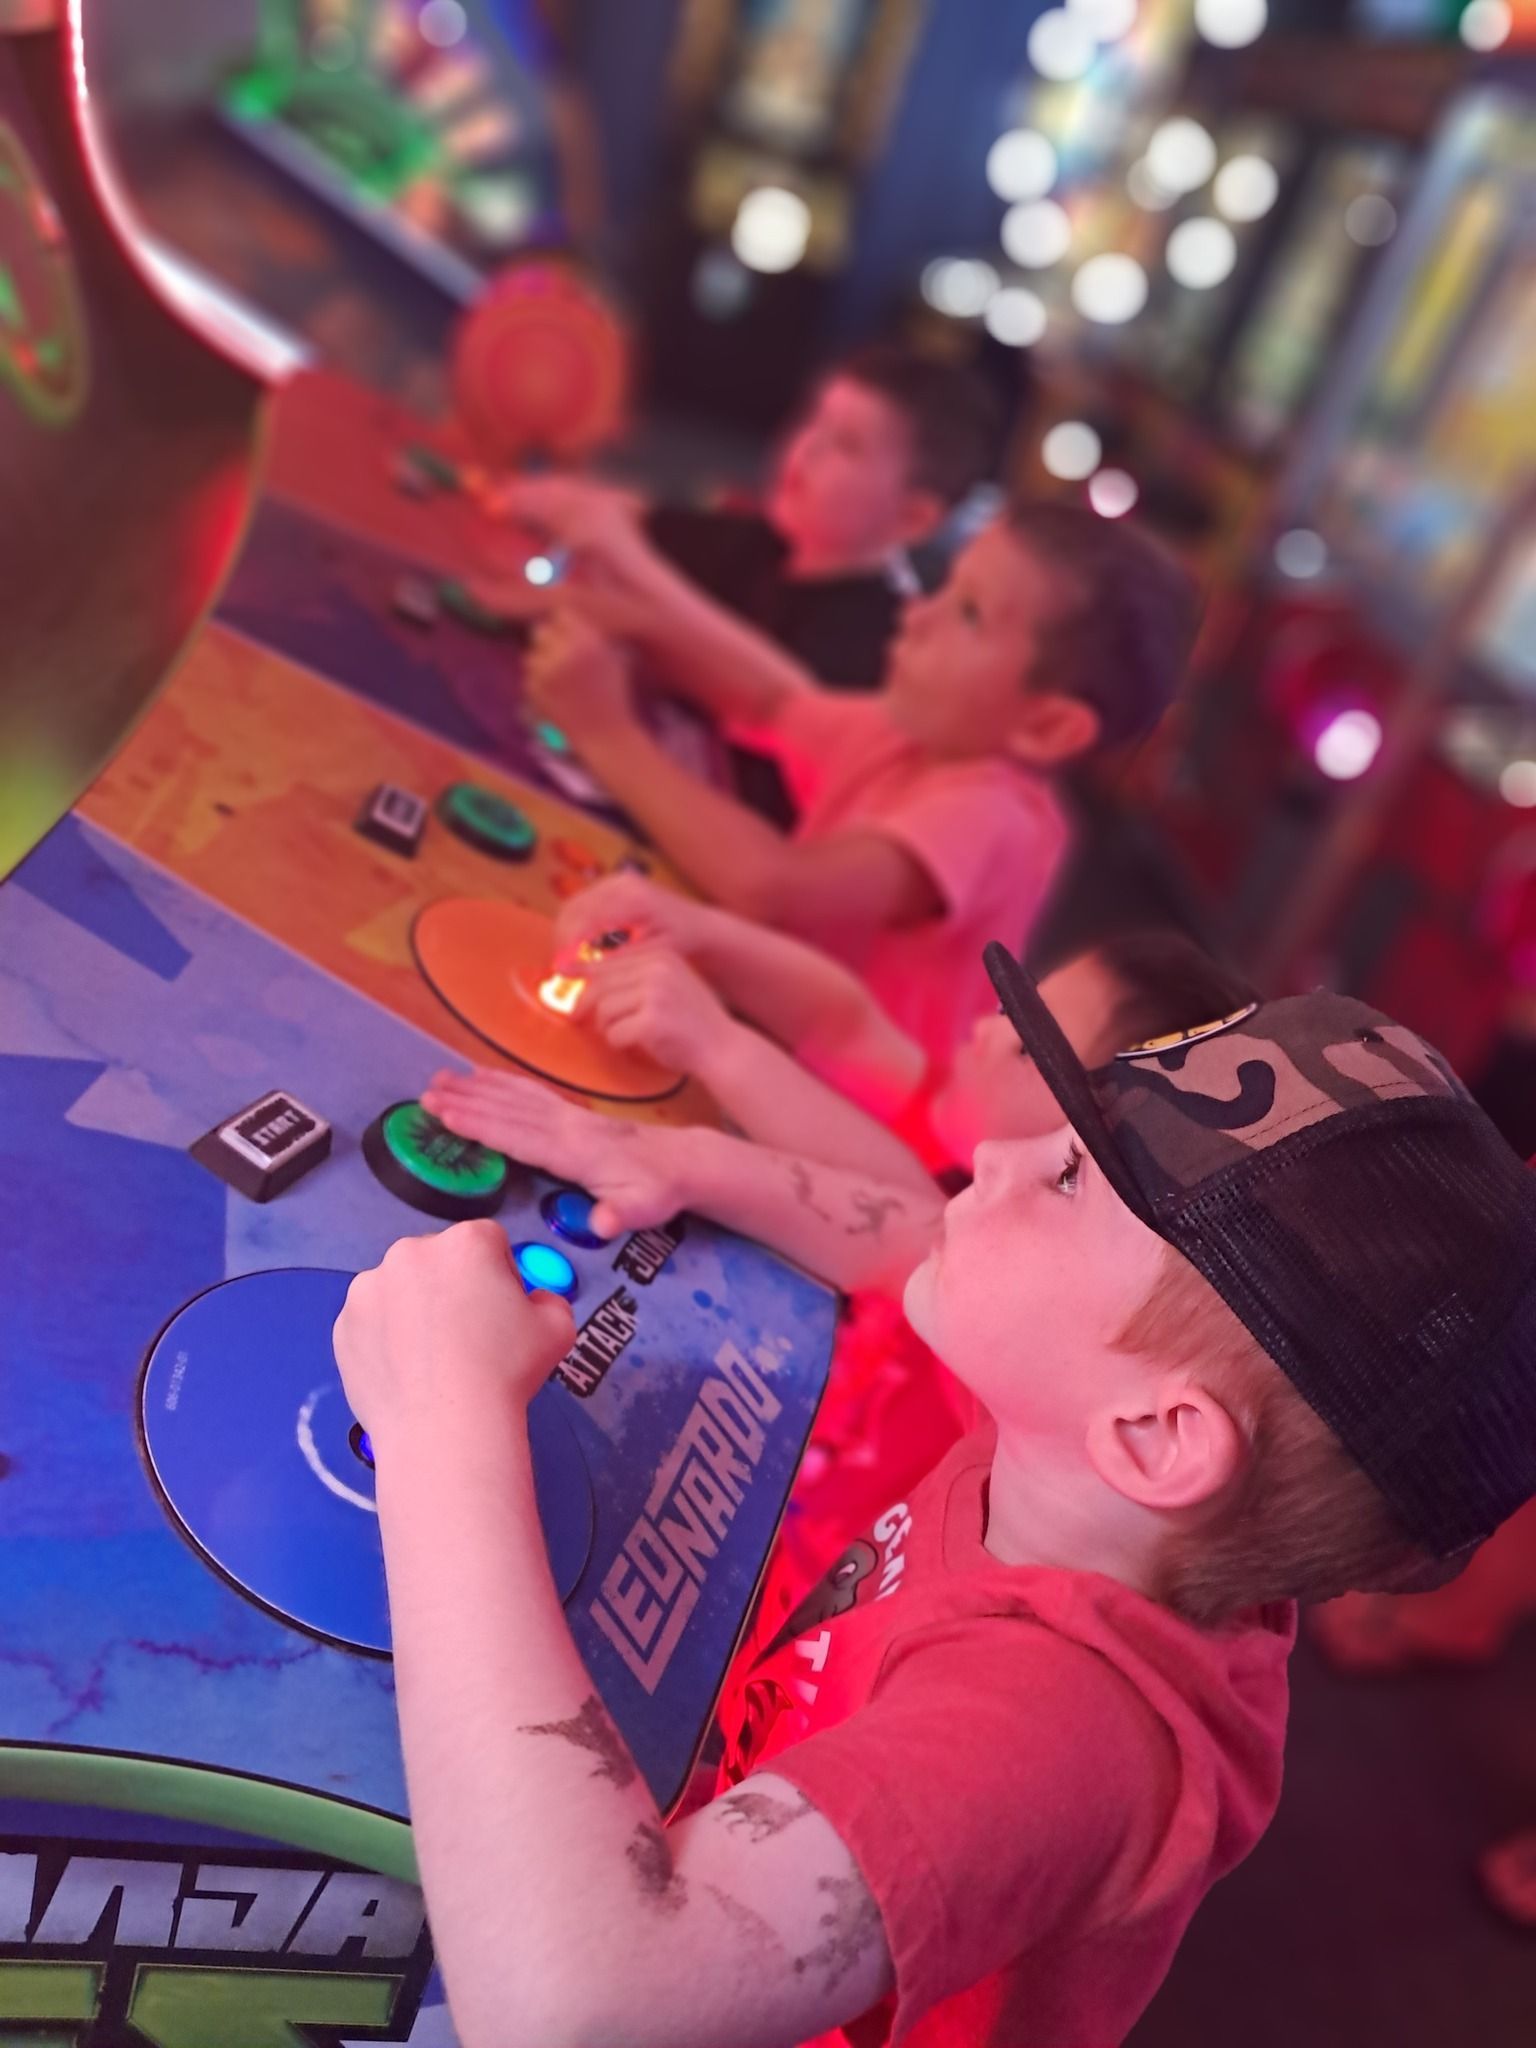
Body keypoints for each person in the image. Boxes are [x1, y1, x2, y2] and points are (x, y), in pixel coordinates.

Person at [332, 965, 1536, 2048]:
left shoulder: (1062, 1727)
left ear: (1160, 1434)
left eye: (1067, 1174)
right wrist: (682, 1162)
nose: (1001, 1153)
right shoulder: (1098, 1486)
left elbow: (577, 2004)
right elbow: (909, 1219)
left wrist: (443, 1424)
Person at [421, 923, 1261, 1595]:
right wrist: (701, 997)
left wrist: (674, 1156)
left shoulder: (1033, 1370)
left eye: (1021, 1041)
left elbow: (911, 1228)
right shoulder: (982, 1219)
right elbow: (895, 1189)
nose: (980, 1024)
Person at [502, 497, 1199, 1068]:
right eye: (946, 586)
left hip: (840, 1115)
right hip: (763, 1046)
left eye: (968, 613)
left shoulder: (994, 815)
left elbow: (773, 888)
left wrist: (603, 730)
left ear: (1047, 727)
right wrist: (608, 616)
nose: (916, 614)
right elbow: (766, 703)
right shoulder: (914, 735)